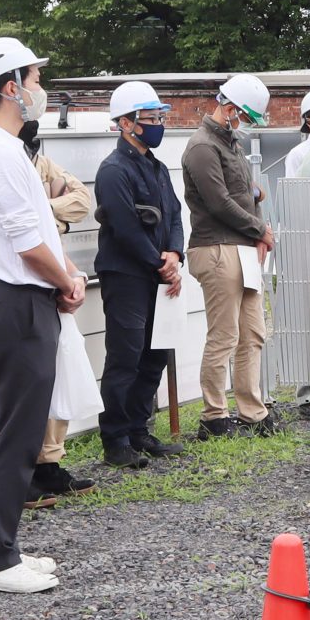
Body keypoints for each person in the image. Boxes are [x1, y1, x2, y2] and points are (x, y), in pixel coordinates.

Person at [0, 36, 84, 595]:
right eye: (33, 80)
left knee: (19, 429)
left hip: (19, 299)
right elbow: (29, 244)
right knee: (16, 432)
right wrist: (66, 280)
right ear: (10, 87)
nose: (39, 89)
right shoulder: (1, 150)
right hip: (16, 301)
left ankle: (3, 546)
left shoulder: (1, 146)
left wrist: (59, 280)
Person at [94, 81, 186, 466]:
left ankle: (138, 430)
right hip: (127, 276)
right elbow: (125, 227)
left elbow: (176, 215)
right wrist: (159, 262)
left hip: (159, 274)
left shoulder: (158, 167)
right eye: (151, 118)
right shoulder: (113, 171)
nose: (158, 124)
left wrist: (175, 254)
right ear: (126, 123)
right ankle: (115, 439)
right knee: (125, 357)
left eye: (160, 117)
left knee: (155, 356)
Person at [183, 73, 277, 438]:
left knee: (252, 332)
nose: (247, 124)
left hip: (239, 246)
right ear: (230, 108)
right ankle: (213, 415)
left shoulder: (230, 142)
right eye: (246, 116)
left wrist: (256, 225)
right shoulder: (202, 146)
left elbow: (243, 194)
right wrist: (260, 230)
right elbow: (218, 203)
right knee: (224, 335)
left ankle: (252, 411)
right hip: (217, 247)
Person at [26, 120, 100, 503]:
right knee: (32, 383)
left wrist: (43, 208)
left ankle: (50, 463)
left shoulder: (42, 163)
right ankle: (29, 469)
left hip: (54, 274)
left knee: (60, 375)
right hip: (24, 287)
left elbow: (81, 200)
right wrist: (48, 211)